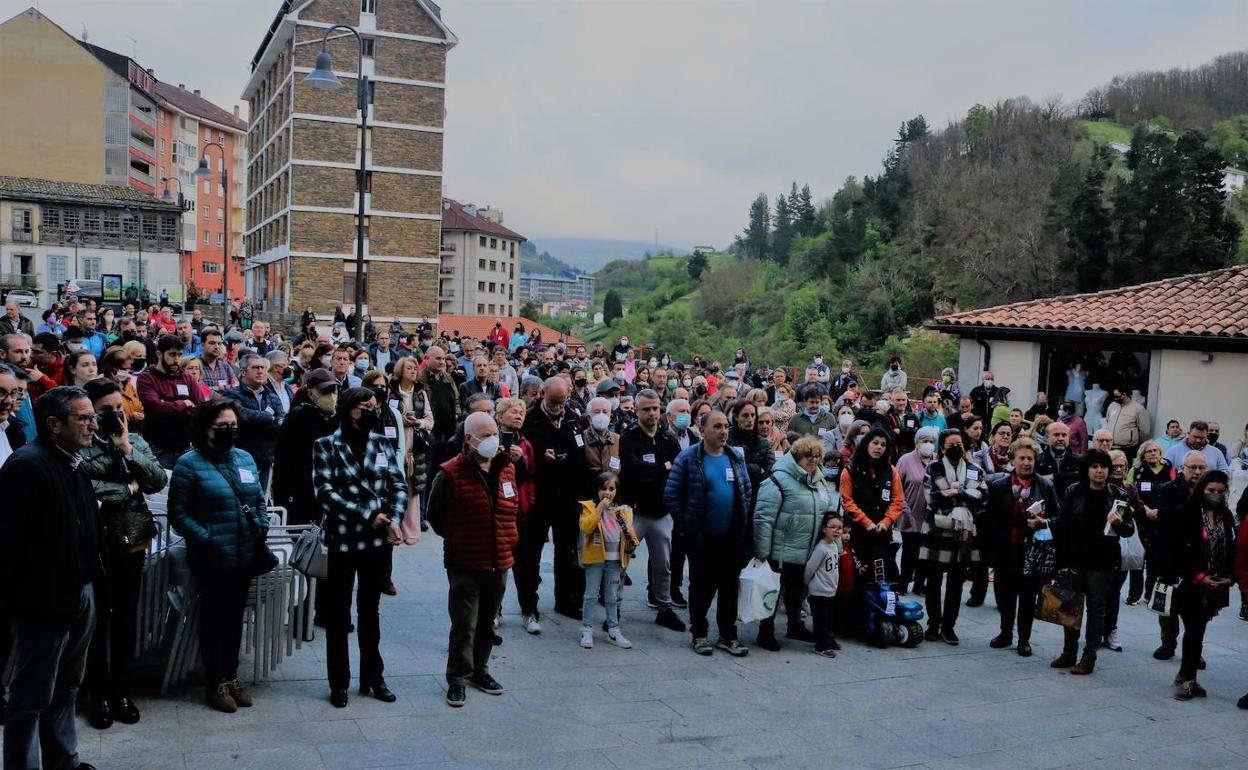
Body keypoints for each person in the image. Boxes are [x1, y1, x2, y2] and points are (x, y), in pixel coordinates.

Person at [0, 387, 100, 770]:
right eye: (83, 418)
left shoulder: (73, 461)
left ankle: (63, 761)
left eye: (92, 417)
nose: (93, 425)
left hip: (80, 592)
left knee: (67, 687)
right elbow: (11, 545)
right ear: (54, 424)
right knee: (31, 697)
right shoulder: (28, 465)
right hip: (44, 602)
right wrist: (31, 600)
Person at [312, 387, 407, 708]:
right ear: (349, 407)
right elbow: (325, 494)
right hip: (342, 539)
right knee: (338, 614)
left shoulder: (381, 443)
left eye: (375, 406)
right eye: (365, 405)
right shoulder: (326, 445)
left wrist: (394, 519)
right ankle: (339, 682)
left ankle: (373, 677)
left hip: (376, 542)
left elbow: (398, 484)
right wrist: (370, 514)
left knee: (370, 612)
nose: (371, 411)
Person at [79, 379, 165, 730]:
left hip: (131, 538)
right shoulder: (80, 444)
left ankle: (122, 692)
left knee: (126, 617)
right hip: (93, 540)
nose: (114, 416)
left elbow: (157, 480)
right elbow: (86, 486)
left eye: (119, 408)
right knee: (97, 618)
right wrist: (128, 487)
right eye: (105, 411)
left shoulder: (136, 442)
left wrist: (127, 448)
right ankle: (97, 693)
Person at [427, 411, 519, 708]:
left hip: (499, 558)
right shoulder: (449, 473)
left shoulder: (506, 468)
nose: (493, 440)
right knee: (464, 624)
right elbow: (435, 516)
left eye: (495, 434)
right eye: (486, 435)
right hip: (465, 561)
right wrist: (459, 537)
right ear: (469, 439)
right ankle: (457, 678)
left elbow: (512, 507)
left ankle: (481, 670)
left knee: (487, 622)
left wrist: (508, 538)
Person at [665, 409, 753, 657]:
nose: (723, 431)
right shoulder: (689, 458)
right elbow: (671, 495)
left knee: (729, 587)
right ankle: (699, 633)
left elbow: (746, 490)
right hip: (701, 537)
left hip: (731, 536)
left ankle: (728, 635)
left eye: (725, 426)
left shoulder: (735, 456)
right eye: (717, 426)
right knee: (701, 587)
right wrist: (687, 524)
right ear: (702, 430)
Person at [1050, 449, 1134, 675]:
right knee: (1070, 608)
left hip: (1102, 562)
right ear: (1087, 470)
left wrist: (1119, 523)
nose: (1099, 471)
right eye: (1094, 467)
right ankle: (1069, 652)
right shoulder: (1074, 491)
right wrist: (1061, 562)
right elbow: (1063, 527)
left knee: (1097, 609)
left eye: (1103, 467)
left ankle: (1089, 656)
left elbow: (1129, 530)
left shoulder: (1118, 494)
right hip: (1075, 559)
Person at [1159, 470, 1235, 700]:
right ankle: (1188, 679)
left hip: (1216, 584)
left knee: (1198, 629)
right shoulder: (1187, 513)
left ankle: (1185, 673)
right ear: (1202, 489)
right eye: (1211, 490)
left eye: (1220, 491)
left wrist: (1229, 577)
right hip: (1190, 583)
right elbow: (1176, 550)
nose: (1215, 494)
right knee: (1194, 629)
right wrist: (1198, 576)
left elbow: (1230, 547)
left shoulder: (1225, 516)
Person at [752, 436, 832, 650]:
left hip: (805, 550)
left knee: (797, 591)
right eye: (808, 456)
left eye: (817, 456)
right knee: (773, 591)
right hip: (780, 550)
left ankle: (795, 625)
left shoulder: (819, 480)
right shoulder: (778, 479)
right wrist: (762, 550)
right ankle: (765, 631)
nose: (813, 460)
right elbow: (763, 517)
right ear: (796, 456)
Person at [984, 437, 1060, 657]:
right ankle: (1005, 633)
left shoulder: (1045, 485)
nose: (1026, 463)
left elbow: (1057, 516)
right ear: (1013, 460)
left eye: (1030, 459)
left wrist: (1043, 522)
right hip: (1006, 549)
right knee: (1004, 594)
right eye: (1022, 458)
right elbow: (990, 519)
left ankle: (1024, 639)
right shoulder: (999, 485)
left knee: (1027, 597)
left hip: (1032, 551)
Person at [520, 377, 588, 619]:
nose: (558, 407)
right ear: (543, 393)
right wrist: (540, 456)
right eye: (554, 402)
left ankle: (565, 600)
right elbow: (521, 456)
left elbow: (581, 454)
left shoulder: (573, 417)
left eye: (562, 402)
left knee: (567, 551)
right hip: (540, 496)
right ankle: (530, 604)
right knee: (532, 551)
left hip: (567, 497)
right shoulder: (529, 419)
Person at [918, 429, 987, 645]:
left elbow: (983, 498)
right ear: (942, 448)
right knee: (933, 581)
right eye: (951, 445)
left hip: (963, 533)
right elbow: (932, 497)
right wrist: (964, 500)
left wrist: (956, 492)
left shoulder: (975, 469)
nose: (956, 448)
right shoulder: (934, 467)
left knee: (956, 582)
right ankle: (933, 624)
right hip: (937, 530)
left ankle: (949, 627)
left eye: (959, 444)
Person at [1153, 451, 1208, 660]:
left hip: (1199, 558)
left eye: (1201, 468)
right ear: (1182, 468)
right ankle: (1168, 642)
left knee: (1197, 610)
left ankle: (1195, 650)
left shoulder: (1210, 490)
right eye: (1193, 467)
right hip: (1172, 556)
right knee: (1168, 604)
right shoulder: (1169, 489)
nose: (1197, 472)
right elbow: (1166, 522)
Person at [578, 472, 639, 649]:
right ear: (597, 490)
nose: (607, 493)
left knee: (612, 596)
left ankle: (614, 629)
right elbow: (586, 527)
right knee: (590, 595)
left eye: (611, 489)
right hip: (595, 559)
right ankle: (587, 629)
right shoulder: (588, 506)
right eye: (603, 488)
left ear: (617, 491)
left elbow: (630, 534)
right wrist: (599, 509)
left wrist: (631, 545)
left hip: (615, 561)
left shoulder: (624, 511)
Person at [272, 370, 339, 526]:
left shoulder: (338, 418)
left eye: (333, 390)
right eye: (324, 391)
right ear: (310, 393)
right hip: (303, 490)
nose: (330, 396)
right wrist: (282, 498)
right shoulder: (296, 418)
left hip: (332, 489)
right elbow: (283, 461)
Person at [839, 427, 904, 584]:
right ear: (866, 444)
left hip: (883, 532)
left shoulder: (891, 471)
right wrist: (865, 522)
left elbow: (898, 500)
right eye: (875, 443)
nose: (879, 447)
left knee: (883, 579)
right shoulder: (850, 470)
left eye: (883, 445)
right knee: (858, 579)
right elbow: (847, 500)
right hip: (857, 532)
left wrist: (887, 521)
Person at [136, 335, 207, 468]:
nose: (177, 360)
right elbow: (155, 408)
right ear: (159, 354)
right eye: (172, 354)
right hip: (158, 449)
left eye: (180, 355)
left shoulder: (187, 378)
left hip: (186, 447)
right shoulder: (146, 378)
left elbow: (201, 407)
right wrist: (185, 404)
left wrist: (167, 405)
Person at [224, 352, 285, 490]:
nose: (260, 371)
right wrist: (268, 416)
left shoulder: (272, 396)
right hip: (241, 456)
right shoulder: (231, 394)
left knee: (261, 497)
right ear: (243, 372)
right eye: (255, 368)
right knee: (242, 495)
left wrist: (258, 420)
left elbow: (281, 421)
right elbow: (242, 416)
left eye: (263, 368)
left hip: (266, 458)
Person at [1124, 440, 1174, 605]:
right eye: (1149, 451)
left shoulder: (1170, 469)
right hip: (1141, 518)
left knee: (1155, 559)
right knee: (1138, 558)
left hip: (1162, 518)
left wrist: (1159, 511)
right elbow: (1129, 493)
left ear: (1160, 453)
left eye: (1155, 450)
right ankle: (1134, 594)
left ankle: (1150, 593)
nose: (1153, 453)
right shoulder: (1136, 471)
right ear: (1143, 455)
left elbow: (1174, 493)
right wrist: (1146, 510)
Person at [897, 426, 939, 595]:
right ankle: (903, 583)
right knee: (909, 552)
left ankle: (920, 585)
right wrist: (904, 509)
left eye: (931, 441)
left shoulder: (937, 461)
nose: (928, 444)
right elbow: (897, 488)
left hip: (930, 517)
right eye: (925, 441)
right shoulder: (905, 460)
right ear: (917, 443)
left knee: (925, 553)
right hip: (910, 513)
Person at [805, 512, 845, 657]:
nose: (837, 530)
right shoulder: (821, 548)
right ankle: (820, 645)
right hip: (819, 591)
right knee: (820, 620)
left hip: (831, 590)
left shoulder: (834, 545)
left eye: (839, 528)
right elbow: (810, 568)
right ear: (824, 529)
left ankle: (829, 639)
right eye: (832, 527)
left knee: (829, 619)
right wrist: (807, 584)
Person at [726, 397, 774, 502]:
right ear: (736, 417)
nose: (750, 419)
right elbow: (727, 469)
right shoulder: (726, 439)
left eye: (753, 415)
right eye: (745, 415)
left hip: (756, 495)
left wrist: (744, 468)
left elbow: (770, 473)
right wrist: (756, 469)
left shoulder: (763, 443)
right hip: (731, 495)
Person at [1104, 386, 1150, 461]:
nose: (1115, 398)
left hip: (1128, 449)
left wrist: (1137, 444)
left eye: (1117, 396)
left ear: (1124, 395)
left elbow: (1144, 430)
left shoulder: (1138, 409)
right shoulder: (1112, 406)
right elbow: (1108, 420)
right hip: (1110, 446)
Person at [1164, 421, 1229, 472]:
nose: (1198, 440)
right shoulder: (1173, 451)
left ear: (1207, 436)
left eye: (1201, 438)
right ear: (1188, 434)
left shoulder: (1216, 453)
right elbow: (1163, 471)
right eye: (1195, 437)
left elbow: (1225, 472)